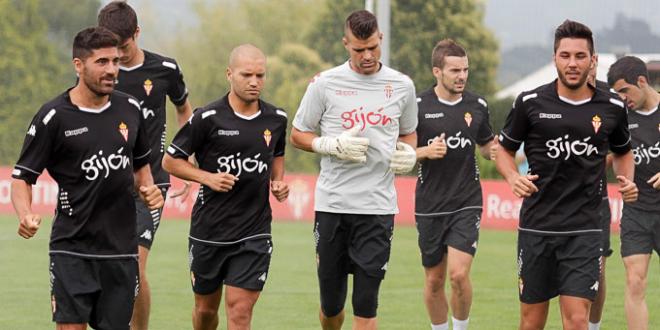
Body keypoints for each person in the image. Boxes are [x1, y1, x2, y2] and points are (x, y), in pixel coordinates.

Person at [10, 26, 164, 330]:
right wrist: (25, 214)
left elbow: (141, 167)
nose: (112, 70)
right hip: (72, 247)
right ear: (78, 65)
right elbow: (22, 177)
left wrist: (149, 188)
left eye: (116, 62)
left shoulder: (130, 109)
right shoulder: (54, 116)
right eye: (102, 62)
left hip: (121, 248)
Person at [495, 20, 638, 330]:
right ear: (554, 58)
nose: (572, 63)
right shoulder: (530, 103)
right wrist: (511, 178)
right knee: (531, 322)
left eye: (580, 56)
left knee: (576, 320)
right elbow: (504, 150)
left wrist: (627, 180)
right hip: (537, 228)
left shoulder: (612, 106)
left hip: (584, 229)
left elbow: (624, 152)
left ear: (592, 59)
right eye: (565, 55)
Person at [290, 10, 418, 330]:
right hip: (333, 204)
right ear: (346, 44)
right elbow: (298, 133)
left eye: (373, 47)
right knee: (331, 308)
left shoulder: (402, 85)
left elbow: (409, 133)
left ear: (381, 39)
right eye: (359, 49)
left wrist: (408, 152)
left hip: (377, 206)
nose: (367, 56)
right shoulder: (324, 83)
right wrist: (327, 145)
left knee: (366, 304)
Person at [162, 44, 289, 330]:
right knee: (206, 312)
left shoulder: (277, 119)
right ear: (229, 74)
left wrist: (277, 182)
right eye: (247, 75)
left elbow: (277, 154)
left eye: (260, 75)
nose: (255, 81)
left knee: (240, 311)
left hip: (254, 231)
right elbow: (171, 161)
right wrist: (207, 178)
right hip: (210, 231)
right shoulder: (207, 118)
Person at [97, 2, 193, 329]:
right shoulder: (98, 73)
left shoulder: (165, 69)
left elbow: (184, 109)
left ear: (136, 34)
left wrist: (184, 156)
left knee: (135, 265)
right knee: (107, 266)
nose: (118, 56)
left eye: (123, 47)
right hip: (107, 183)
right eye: (110, 48)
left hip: (151, 183)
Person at [414, 39, 497, 330]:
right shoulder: (418, 106)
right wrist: (426, 152)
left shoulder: (478, 105)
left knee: (458, 275)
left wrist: (503, 151)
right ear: (437, 71)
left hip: (467, 201)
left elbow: (486, 145)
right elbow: (400, 153)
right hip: (429, 205)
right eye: (454, 70)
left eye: (465, 70)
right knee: (434, 280)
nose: (462, 76)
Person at [607, 55, 660, 330]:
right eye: (617, 94)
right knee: (634, 281)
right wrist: (623, 179)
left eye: (624, 91)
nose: (622, 98)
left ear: (642, 81)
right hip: (636, 212)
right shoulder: (620, 119)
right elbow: (612, 155)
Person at [585, 55, 615, 330]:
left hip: (597, 200)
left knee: (597, 270)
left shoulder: (611, 100)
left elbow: (622, 149)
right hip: (559, 204)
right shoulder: (553, 98)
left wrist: (591, 162)